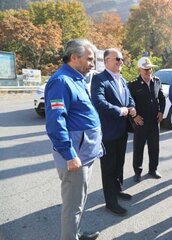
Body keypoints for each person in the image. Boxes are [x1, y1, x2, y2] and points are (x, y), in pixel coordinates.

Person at [45, 39, 103, 240]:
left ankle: (75, 233)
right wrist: (69, 155)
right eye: (89, 59)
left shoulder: (77, 78)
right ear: (74, 57)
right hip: (75, 158)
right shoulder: (61, 81)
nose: (92, 64)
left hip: (85, 153)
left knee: (80, 200)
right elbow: (55, 123)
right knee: (72, 206)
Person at [91, 48, 136, 216]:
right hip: (108, 131)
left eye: (122, 59)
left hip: (122, 130)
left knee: (119, 164)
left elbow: (129, 98)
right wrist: (121, 110)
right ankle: (110, 202)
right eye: (117, 59)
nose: (121, 61)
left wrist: (131, 108)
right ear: (107, 60)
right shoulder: (99, 78)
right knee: (109, 167)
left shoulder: (121, 79)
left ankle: (117, 190)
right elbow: (99, 102)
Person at [128, 56, 166, 182]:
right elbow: (129, 102)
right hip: (141, 122)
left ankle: (153, 170)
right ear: (139, 70)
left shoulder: (156, 81)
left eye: (150, 69)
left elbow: (162, 98)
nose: (148, 71)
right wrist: (134, 116)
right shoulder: (133, 85)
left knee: (154, 147)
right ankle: (137, 172)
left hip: (154, 121)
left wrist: (161, 112)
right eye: (145, 69)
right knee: (138, 148)